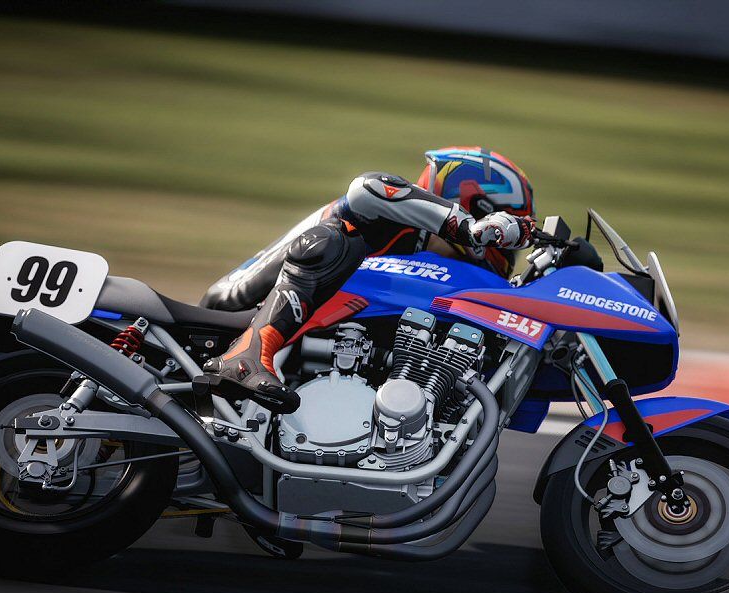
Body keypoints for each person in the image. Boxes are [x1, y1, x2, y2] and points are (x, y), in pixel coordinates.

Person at [201, 146, 537, 412]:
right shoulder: (396, 221)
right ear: (478, 208)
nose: (506, 250)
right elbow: (368, 187)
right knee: (338, 239)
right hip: (234, 311)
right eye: (505, 230)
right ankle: (248, 353)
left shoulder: (417, 254)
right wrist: (466, 227)